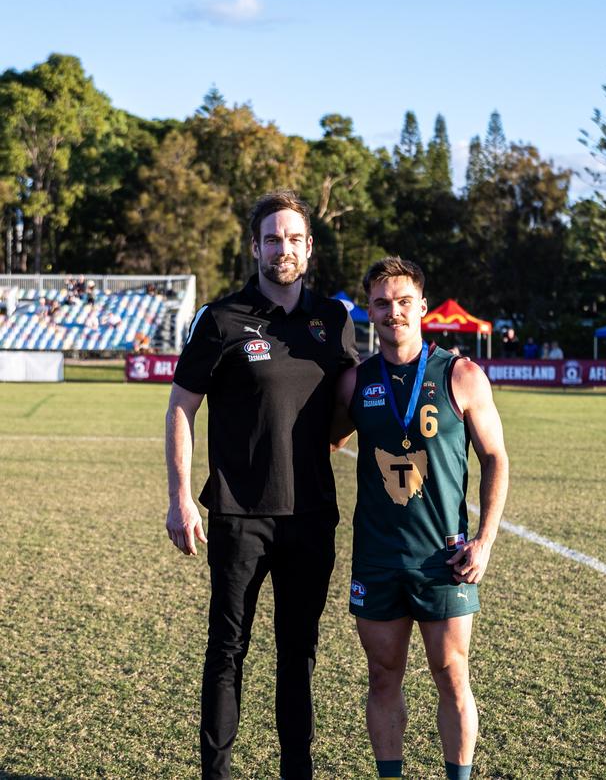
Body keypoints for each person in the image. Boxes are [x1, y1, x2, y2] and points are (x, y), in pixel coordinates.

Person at [165, 189, 359, 780]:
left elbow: (350, 407)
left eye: (294, 238)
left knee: (297, 655)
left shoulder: (333, 320)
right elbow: (180, 407)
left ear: (309, 247)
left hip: (311, 515)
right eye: (272, 238)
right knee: (227, 652)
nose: (284, 248)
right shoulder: (220, 319)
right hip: (237, 514)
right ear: (255, 246)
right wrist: (179, 498)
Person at [331, 257, 509, 780]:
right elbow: (328, 440)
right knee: (383, 678)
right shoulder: (355, 382)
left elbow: (496, 457)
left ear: (423, 307)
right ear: (369, 311)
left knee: (453, 675)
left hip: (444, 560)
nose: (394, 312)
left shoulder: (462, 375)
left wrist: (485, 541)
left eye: (404, 301)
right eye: (382, 303)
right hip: (378, 558)